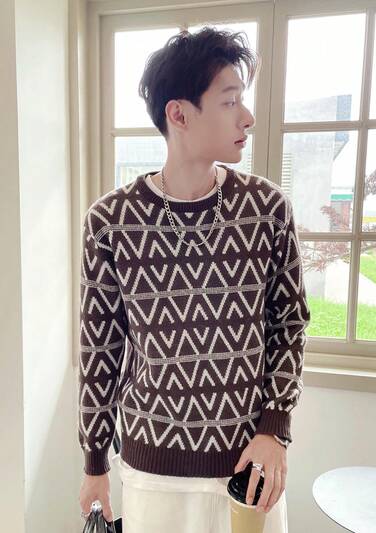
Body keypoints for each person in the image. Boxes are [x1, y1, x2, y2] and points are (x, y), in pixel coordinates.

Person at [78, 25, 311, 533]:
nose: (247, 117)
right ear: (179, 114)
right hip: (154, 473)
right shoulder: (111, 222)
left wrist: (275, 429)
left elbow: (290, 324)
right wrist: (94, 464)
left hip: (250, 466)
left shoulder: (267, 209)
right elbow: (100, 349)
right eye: (230, 101)